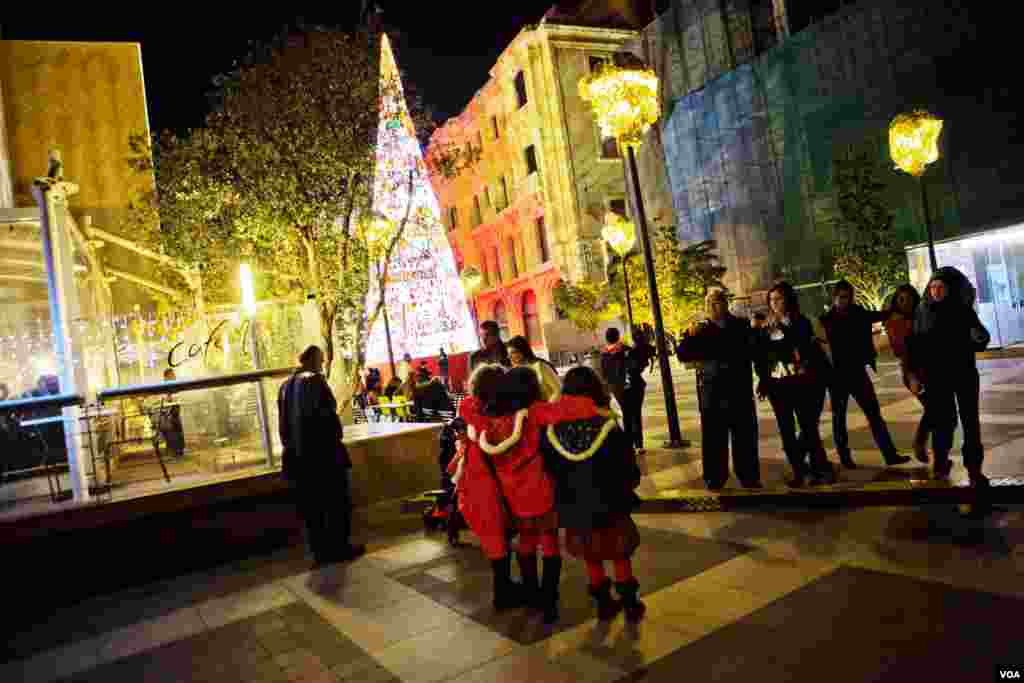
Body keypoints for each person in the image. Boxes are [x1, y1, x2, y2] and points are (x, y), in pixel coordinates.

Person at [540, 366, 645, 622]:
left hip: (574, 505)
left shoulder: (552, 432)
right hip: (610, 502)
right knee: (619, 552)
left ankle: (603, 604)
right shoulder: (608, 426)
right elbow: (627, 468)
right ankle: (630, 603)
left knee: (591, 554)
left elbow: (550, 470)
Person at [278, 345, 365, 566]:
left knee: (312, 510)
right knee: (336, 504)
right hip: (325, 457)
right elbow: (329, 418)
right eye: (322, 361)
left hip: (299, 460)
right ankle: (339, 547)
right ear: (314, 360)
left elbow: (283, 427)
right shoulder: (315, 381)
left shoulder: (284, 386)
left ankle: (320, 552)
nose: (322, 365)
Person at [906, 267, 990, 487]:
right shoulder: (922, 311)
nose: (936, 291)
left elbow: (981, 336)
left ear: (949, 289)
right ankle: (940, 464)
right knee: (942, 422)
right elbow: (913, 346)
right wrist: (912, 374)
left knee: (970, 422)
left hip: (964, 374)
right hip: (937, 377)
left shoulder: (962, 310)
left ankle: (974, 469)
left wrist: (977, 340)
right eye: (932, 287)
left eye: (940, 287)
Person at [676, 289, 761, 490]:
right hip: (712, 393)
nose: (715, 307)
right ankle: (715, 478)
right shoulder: (700, 329)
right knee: (714, 438)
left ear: (725, 303)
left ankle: (748, 476)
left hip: (739, 390)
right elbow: (682, 355)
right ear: (706, 306)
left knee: (745, 436)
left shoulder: (740, 325)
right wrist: (688, 336)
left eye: (719, 302)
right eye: (711, 303)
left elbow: (754, 350)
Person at [819, 281, 909, 469]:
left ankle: (890, 455)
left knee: (874, 415)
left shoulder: (857, 313)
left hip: (857, 372)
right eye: (841, 297)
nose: (845, 301)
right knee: (839, 418)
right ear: (834, 298)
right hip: (836, 376)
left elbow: (878, 315)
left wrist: (896, 307)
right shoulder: (826, 319)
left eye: (848, 297)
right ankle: (845, 458)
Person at [755, 282, 837, 487]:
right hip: (778, 386)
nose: (775, 303)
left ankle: (820, 468)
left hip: (802, 382)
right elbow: (760, 357)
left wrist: (781, 328)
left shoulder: (801, 321)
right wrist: (763, 380)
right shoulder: (765, 327)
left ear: (788, 300)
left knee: (809, 427)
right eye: (772, 300)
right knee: (786, 430)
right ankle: (799, 471)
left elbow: (804, 345)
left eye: (779, 298)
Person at [884, 284, 929, 463]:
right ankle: (920, 443)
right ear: (896, 301)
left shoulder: (921, 316)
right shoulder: (895, 322)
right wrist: (912, 377)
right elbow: (898, 350)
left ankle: (935, 452)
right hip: (912, 371)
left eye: (909, 299)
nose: (905, 303)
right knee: (934, 408)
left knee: (938, 410)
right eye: (901, 300)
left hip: (929, 369)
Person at [625, 327, 656, 453]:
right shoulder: (647, 349)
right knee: (636, 414)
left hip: (630, 384)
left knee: (629, 415)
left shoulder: (633, 352)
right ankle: (638, 444)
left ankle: (631, 444)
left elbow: (629, 367)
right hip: (638, 384)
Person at [507, 335, 561, 402]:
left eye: (513, 352)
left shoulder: (540, 366)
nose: (509, 357)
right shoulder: (512, 372)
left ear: (523, 351)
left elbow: (558, 390)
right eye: (508, 354)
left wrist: (547, 407)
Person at [599, 328, 632, 438]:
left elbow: (604, 373)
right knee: (629, 412)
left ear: (607, 339)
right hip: (628, 383)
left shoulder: (604, 354)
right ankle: (632, 439)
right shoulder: (624, 349)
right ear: (618, 337)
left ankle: (627, 437)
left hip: (615, 386)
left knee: (625, 410)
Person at [158, 368, 186, 458]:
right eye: (172, 375)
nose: (174, 377)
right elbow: (164, 399)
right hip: (168, 413)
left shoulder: (174, 386)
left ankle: (179, 450)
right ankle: (174, 451)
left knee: (177, 429)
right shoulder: (164, 387)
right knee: (172, 431)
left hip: (175, 411)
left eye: (174, 375)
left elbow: (177, 396)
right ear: (166, 377)